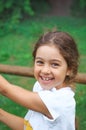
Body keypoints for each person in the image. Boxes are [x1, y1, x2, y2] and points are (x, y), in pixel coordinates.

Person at [0, 31, 79, 130]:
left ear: (69, 69)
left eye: (55, 64)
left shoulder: (60, 101)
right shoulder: (41, 86)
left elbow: (5, 89)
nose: (45, 70)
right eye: (40, 62)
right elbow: (29, 127)